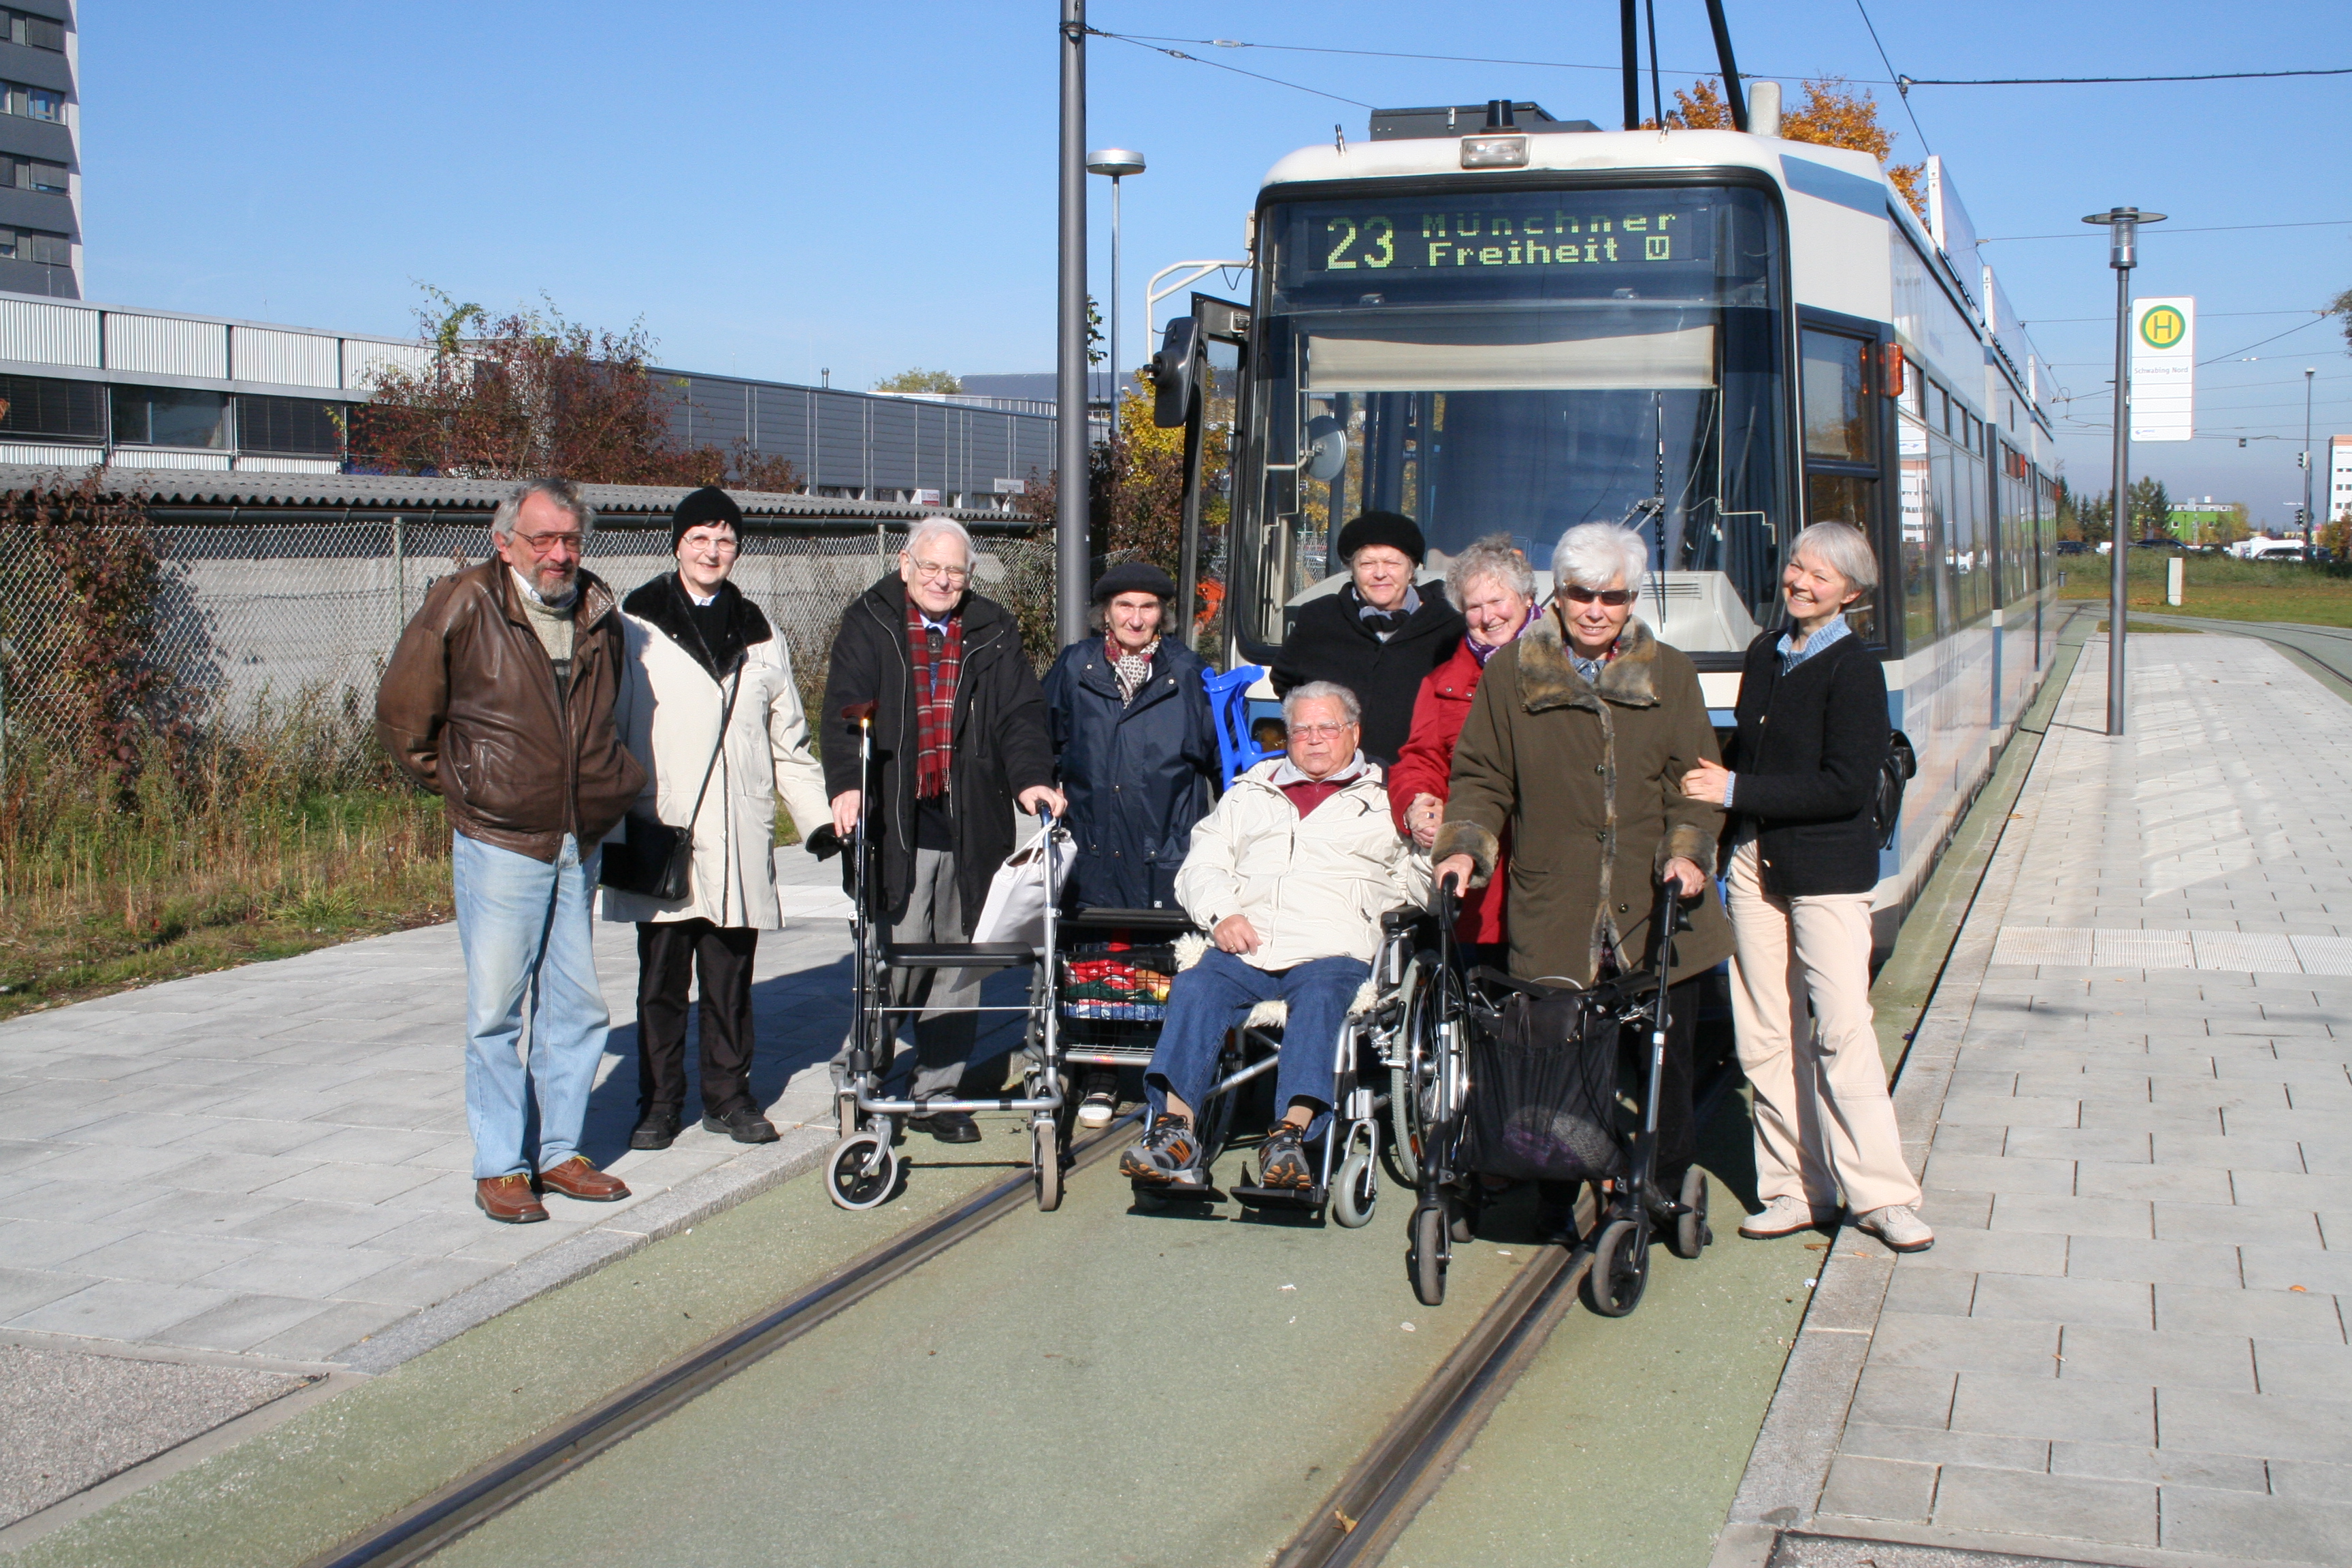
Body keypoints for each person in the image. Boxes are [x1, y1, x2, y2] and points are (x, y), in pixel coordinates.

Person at [1432, 521, 1733, 1230]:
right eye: (1582, 594)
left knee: (1665, 1062)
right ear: (1558, 597)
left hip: (1656, 905)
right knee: (1552, 1060)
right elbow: (1481, 778)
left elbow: (1695, 785)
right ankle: (1553, 1188)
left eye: (1613, 596)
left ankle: (1660, 1185)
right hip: (1555, 905)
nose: (1597, 610)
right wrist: (1464, 848)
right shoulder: (1511, 674)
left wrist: (1687, 855)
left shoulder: (1671, 673)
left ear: (1632, 599)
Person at [376, 478, 645, 1224]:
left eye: (571, 539)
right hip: (500, 841)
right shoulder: (463, 602)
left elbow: (608, 713)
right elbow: (404, 716)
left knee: (577, 1008)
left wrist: (605, 786)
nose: (559, 554)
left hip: (576, 840)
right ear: (505, 543)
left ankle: (560, 1153)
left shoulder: (598, 612)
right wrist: (473, 788)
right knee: (497, 1010)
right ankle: (500, 1164)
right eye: (543, 539)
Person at [1679, 521, 1931, 1253]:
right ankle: (1795, 1187)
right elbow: (1752, 751)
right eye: (1796, 566)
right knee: (1765, 1033)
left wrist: (1736, 789)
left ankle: (1883, 1196)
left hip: (1825, 872)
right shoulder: (1766, 652)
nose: (1801, 582)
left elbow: (1845, 786)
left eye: (1821, 575)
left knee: (1841, 1028)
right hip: (1755, 862)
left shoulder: (1855, 670)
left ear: (1851, 592)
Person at [1121, 683, 1429, 1191]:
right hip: (1249, 944)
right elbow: (1201, 864)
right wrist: (1222, 914)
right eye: (1301, 729)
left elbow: (1419, 890)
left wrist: (1433, 845)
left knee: (1322, 999)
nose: (1314, 739)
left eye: (1327, 727)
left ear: (1354, 733)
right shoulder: (1251, 791)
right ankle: (1175, 1132)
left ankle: (1289, 1137)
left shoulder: (1388, 798)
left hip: (1334, 948)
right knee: (1195, 986)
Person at [602, 486, 832, 1152]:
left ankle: (729, 1098)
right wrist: (603, 823)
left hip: (738, 830)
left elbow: (789, 740)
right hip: (664, 831)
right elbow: (607, 733)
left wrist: (816, 820)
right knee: (661, 982)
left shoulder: (761, 633)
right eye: (700, 538)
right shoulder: (634, 625)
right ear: (677, 544)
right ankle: (658, 1104)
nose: (712, 551)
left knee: (730, 979)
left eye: (725, 539)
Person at [821, 517, 1064, 1143]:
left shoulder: (992, 628)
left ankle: (939, 1091)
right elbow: (845, 710)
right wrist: (846, 783)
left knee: (960, 963)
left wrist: (1031, 779)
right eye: (931, 567)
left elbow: (1020, 715)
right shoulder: (870, 621)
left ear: (969, 575)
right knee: (893, 960)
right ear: (906, 564)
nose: (941, 580)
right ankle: (863, 1070)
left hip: (970, 818)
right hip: (895, 820)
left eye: (954, 571)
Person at [1042, 560, 1222, 1128]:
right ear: (1107, 613)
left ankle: (1164, 1077)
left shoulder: (1188, 671)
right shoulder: (1076, 666)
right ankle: (1098, 1073)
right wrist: (1043, 788)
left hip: (1165, 845)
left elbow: (1220, 760)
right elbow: (1042, 740)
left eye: (1148, 607)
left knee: (1158, 964)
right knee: (1094, 961)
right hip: (1093, 844)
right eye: (1125, 607)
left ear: (1162, 615)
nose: (1136, 618)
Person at [1387, 534, 1540, 962]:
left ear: (1527, 599)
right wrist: (1417, 802)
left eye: (1498, 601)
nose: (1487, 617)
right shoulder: (1442, 683)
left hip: (1555, 866)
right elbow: (1421, 759)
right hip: (1482, 872)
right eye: (1474, 607)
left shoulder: (1572, 664)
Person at [1271, 510, 1463, 766]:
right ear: (1352, 570)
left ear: (1411, 569)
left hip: (1421, 772)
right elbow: (1286, 683)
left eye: (1392, 563)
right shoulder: (1319, 619)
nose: (1380, 573)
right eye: (1367, 564)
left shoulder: (1450, 625)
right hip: (1337, 775)